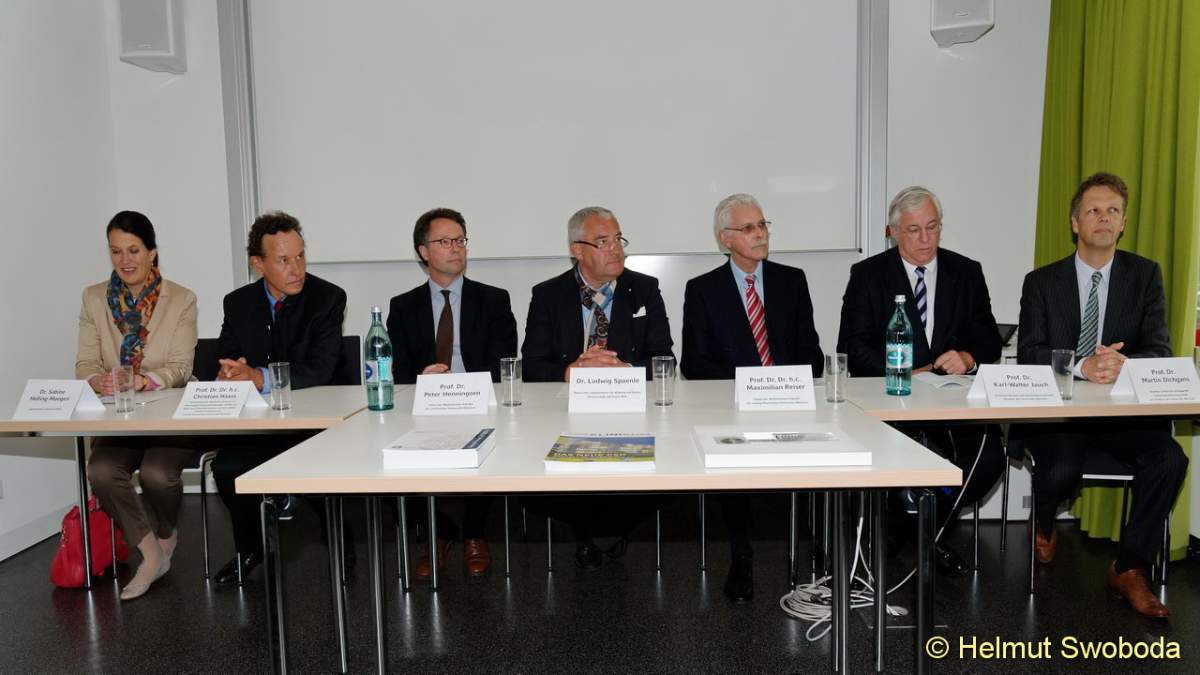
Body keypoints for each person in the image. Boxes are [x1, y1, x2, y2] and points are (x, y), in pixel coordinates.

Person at [1017, 172, 1187, 618]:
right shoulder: (1041, 282)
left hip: (1121, 416)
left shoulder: (1145, 275)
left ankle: (1128, 568)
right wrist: (1081, 366)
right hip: (1061, 417)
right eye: (1093, 210)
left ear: (1123, 222)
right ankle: (1045, 520)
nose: (1104, 218)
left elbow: (1159, 349)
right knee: (1061, 468)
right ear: (1075, 222)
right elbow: (1029, 352)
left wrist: (1123, 364)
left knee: (1170, 459)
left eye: (1113, 210)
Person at [837, 186, 1005, 576]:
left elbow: (989, 338)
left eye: (933, 227)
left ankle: (919, 529)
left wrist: (967, 357)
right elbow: (851, 345)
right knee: (895, 463)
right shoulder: (868, 275)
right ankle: (923, 534)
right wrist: (898, 370)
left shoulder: (966, 271)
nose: (926, 238)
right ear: (893, 232)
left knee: (988, 459)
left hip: (953, 402)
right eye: (914, 230)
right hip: (893, 402)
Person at [681, 193, 823, 602]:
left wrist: (780, 387)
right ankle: (741, 554)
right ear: (725, 239)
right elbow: (694, 362)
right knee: (729, 451)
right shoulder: (703, 289)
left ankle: (821, 552)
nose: (760, 234)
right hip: (734, 407)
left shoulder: (791, 281)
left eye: (762, 225)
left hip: (789, 402)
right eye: (748, 228)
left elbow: (812, 354)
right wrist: (748, 388)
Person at [521, 206, 674, 569]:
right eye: (603, 242)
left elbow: (665, 361)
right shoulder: (548, 294)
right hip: (566, 410)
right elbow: (531, 366)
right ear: (577, 249)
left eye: (618, 239)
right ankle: (588, 531)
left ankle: (611, 529)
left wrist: (623, 372)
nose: (616, 249)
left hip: (629, 410)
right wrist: (570, 372)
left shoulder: (645, 289)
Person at [209, 211, 351, 584]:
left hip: (316, 420)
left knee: (319, 468)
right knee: (226, 468)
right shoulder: (237, 303)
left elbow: (319, 369)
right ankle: (251, 548)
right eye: (284, 260)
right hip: (260, 422)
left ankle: (340, 543)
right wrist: (232, 372)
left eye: (300, 256)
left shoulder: (327, 298)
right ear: (258, 264)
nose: (297, 269)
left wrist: (259, 377)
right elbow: (227, 355)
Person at [387, 207, 517, 578]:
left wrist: (465, 389)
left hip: (479, 403)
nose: (456, 248)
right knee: (387, 452)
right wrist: (422, 378)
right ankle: (438, 531)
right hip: (425, 405)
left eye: (460, 240)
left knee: (493, 435)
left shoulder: (494, 299)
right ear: (423, 251)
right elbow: (397, 370)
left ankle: (474, 532)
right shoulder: (403, 306)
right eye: (444, 241)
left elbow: (504, 361)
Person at [79, 211, 199, 600]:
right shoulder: (94, 298)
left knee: (157, 474)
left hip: (169, 414)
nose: (125, 260)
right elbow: (85, 363)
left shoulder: (181, 299)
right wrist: (96, 380)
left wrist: (143, 380)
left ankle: (166, 534)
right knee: (100, 469)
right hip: (120, 415)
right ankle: (151, 553)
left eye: (133, 250)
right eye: (116, 251)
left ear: (152, 253)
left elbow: (180, 368)